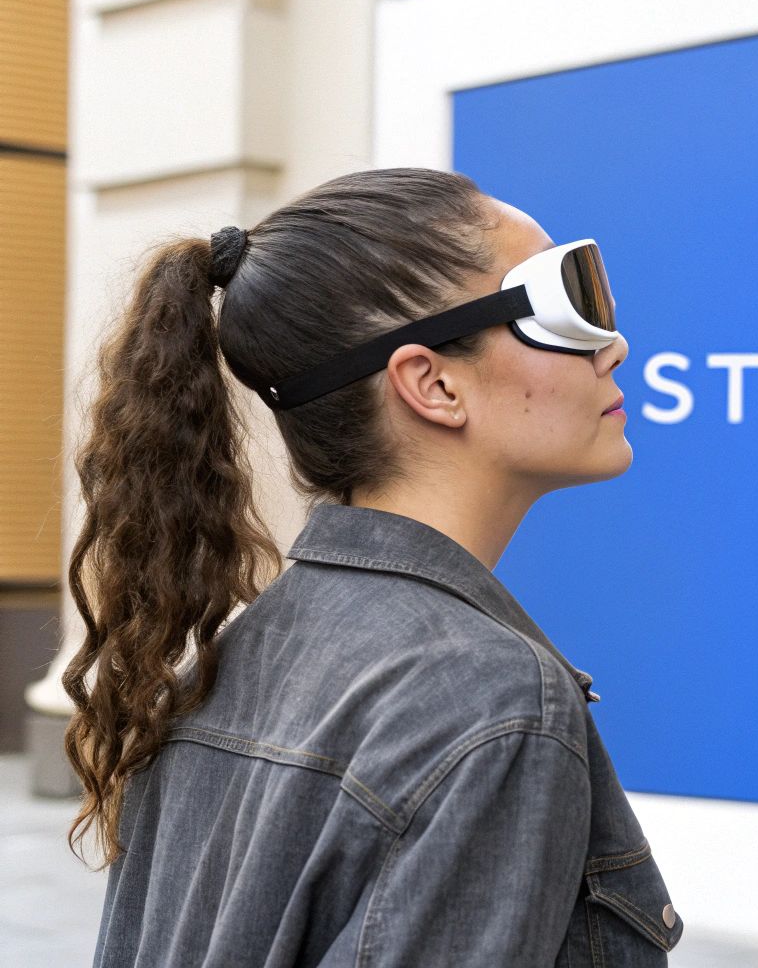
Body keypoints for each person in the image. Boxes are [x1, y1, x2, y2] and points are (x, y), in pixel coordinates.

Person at [61, 166, 683, 966]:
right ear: (431, 383)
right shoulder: (493, 701)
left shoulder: (221, 666)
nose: (613, 345)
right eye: (564, 303)